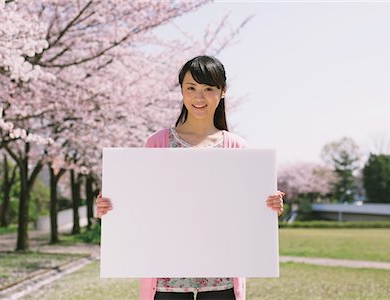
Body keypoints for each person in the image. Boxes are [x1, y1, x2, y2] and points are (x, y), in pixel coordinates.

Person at [96, 55, 285, 300]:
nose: (199, 97)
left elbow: (246, 213)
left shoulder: (236, 146)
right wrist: (112, 208)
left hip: (221, 281)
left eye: (208, 89)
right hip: (166, 281)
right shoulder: (158, 142)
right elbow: (142, 205)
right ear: (182, 91)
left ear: (223, 91)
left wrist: (268, 207)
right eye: (191, 88)